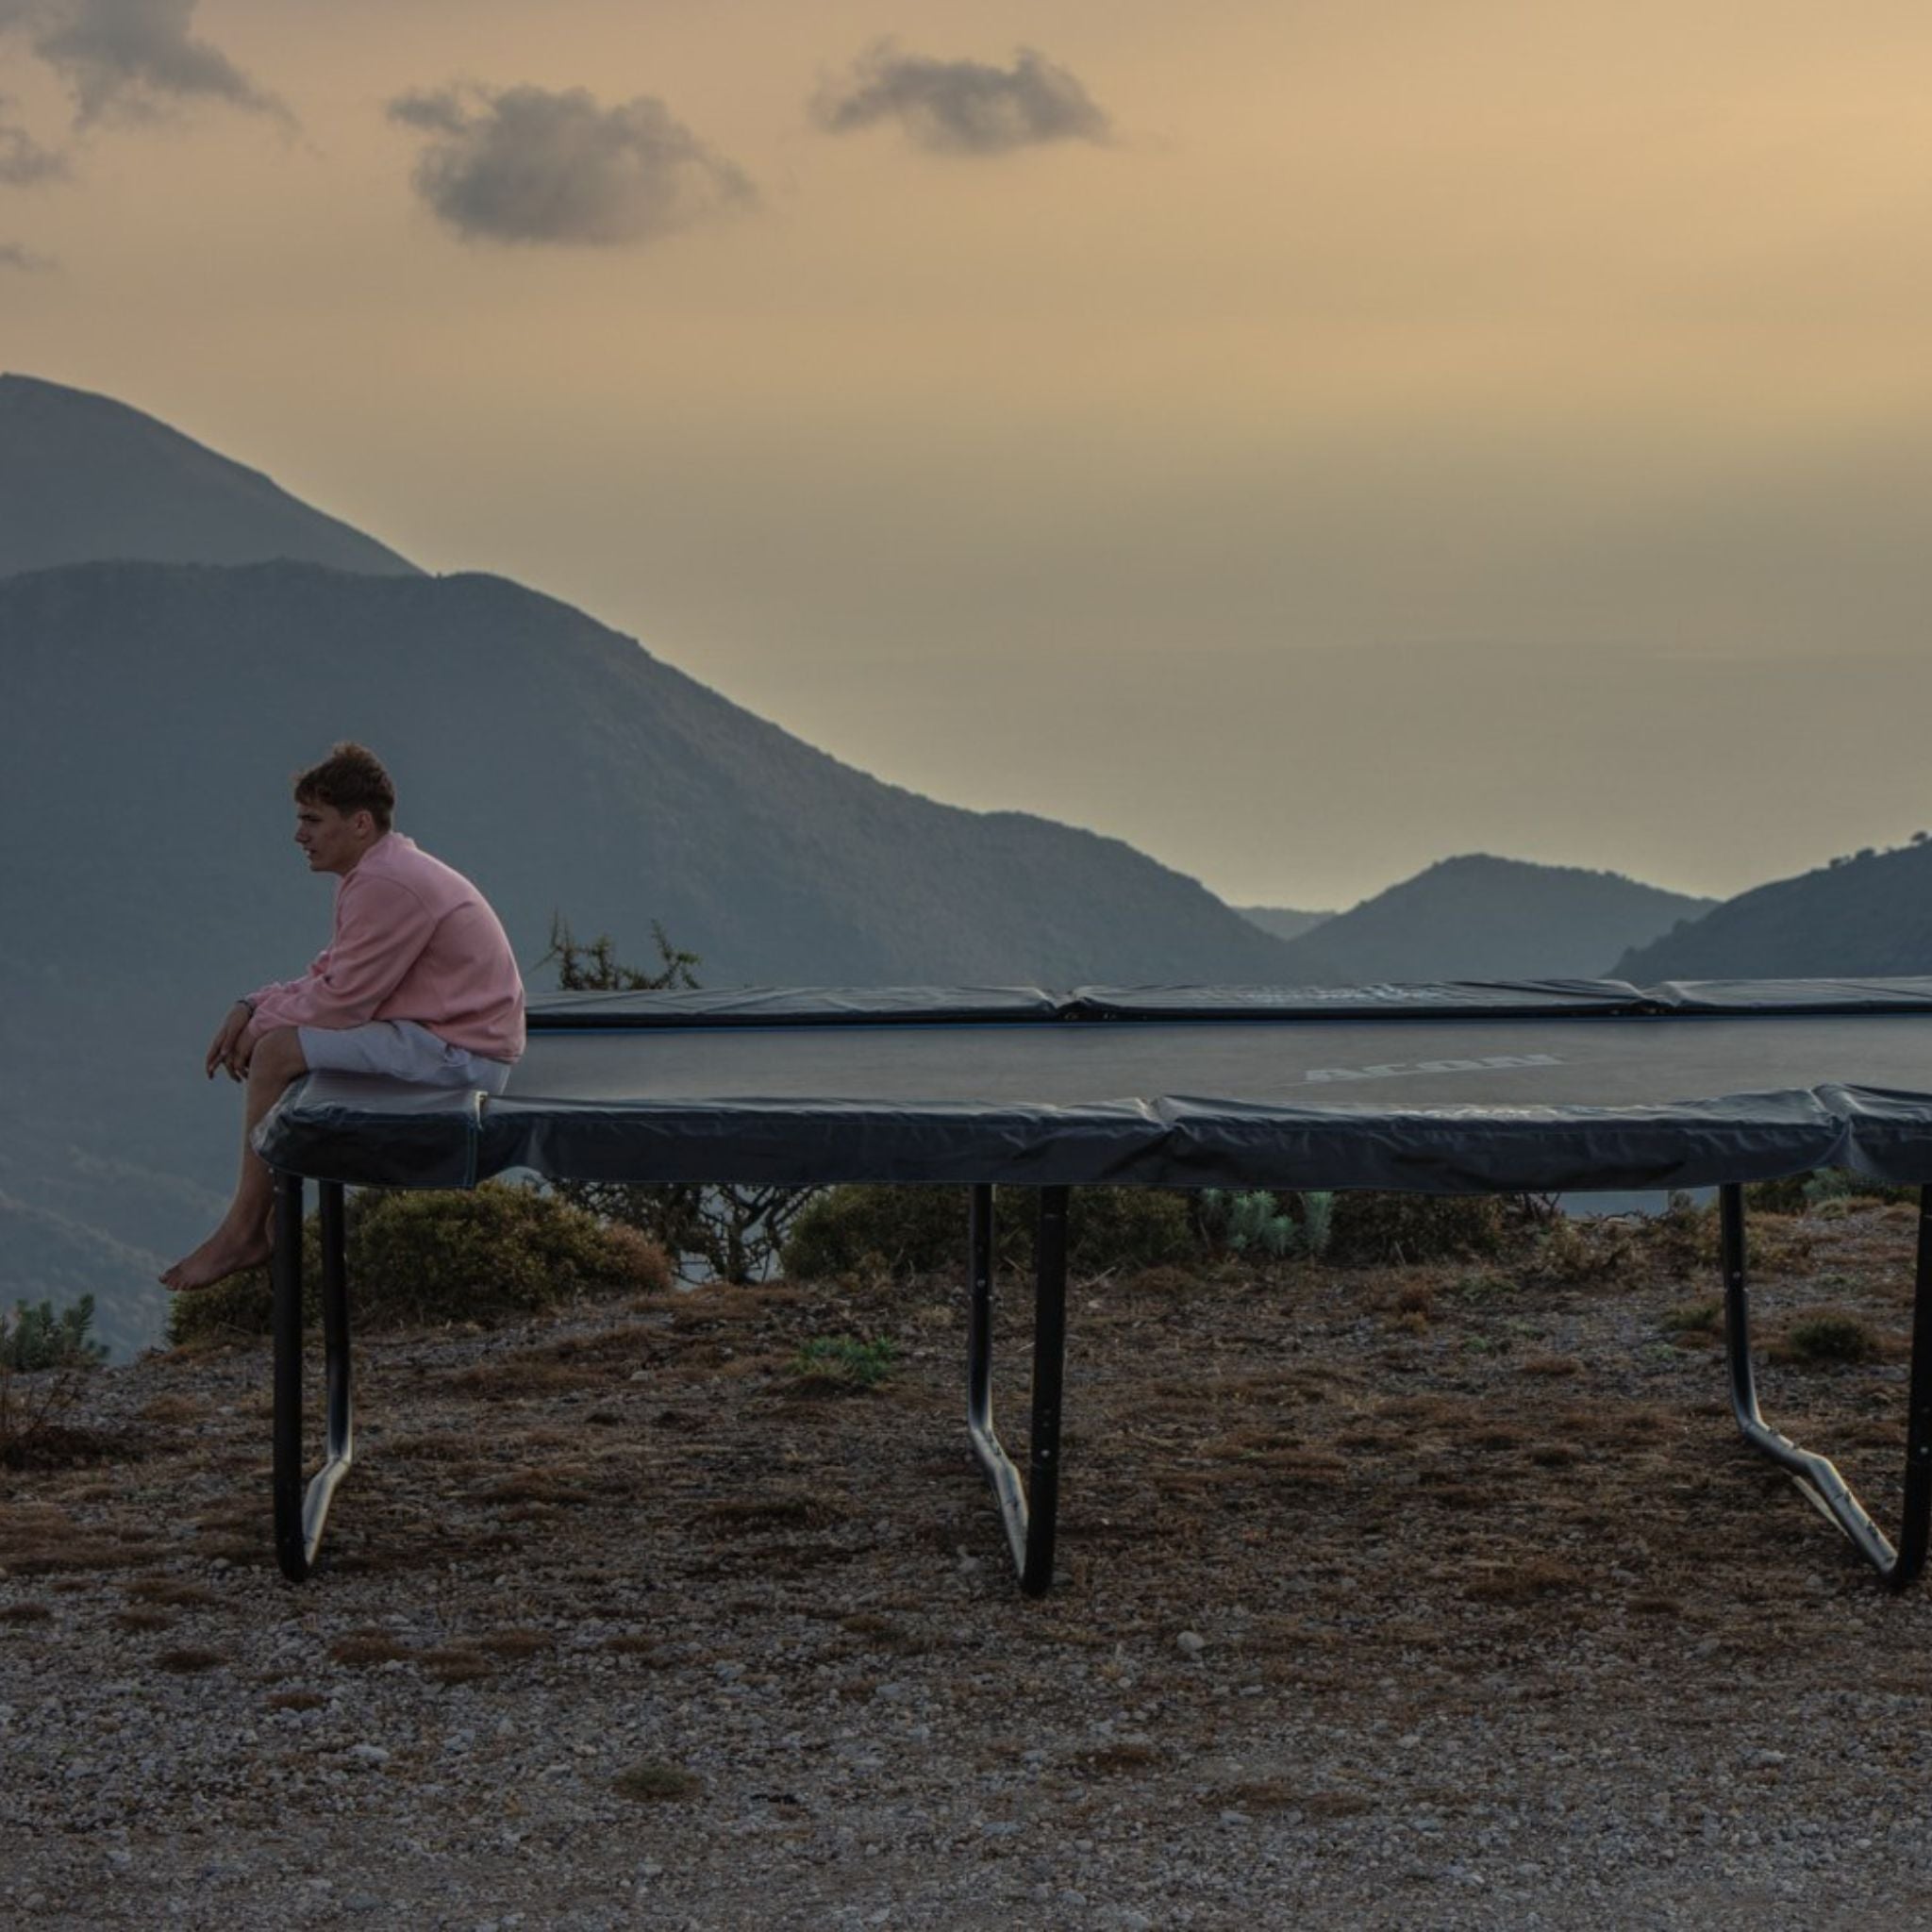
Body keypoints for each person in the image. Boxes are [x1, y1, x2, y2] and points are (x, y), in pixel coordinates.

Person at [161, 742, 525, 1293]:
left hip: (462, 1055)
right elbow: (331, 973)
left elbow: (342, 1003)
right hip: (443, 1038)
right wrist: (254, 1004)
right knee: (277, 1043)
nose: (299, 835)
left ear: (359, 823)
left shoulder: (387, 883)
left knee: (277, 1053)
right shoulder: (379, 873)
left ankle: (245, 1229)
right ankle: (259, 1220)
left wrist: (261, 1028)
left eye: (312, 820)